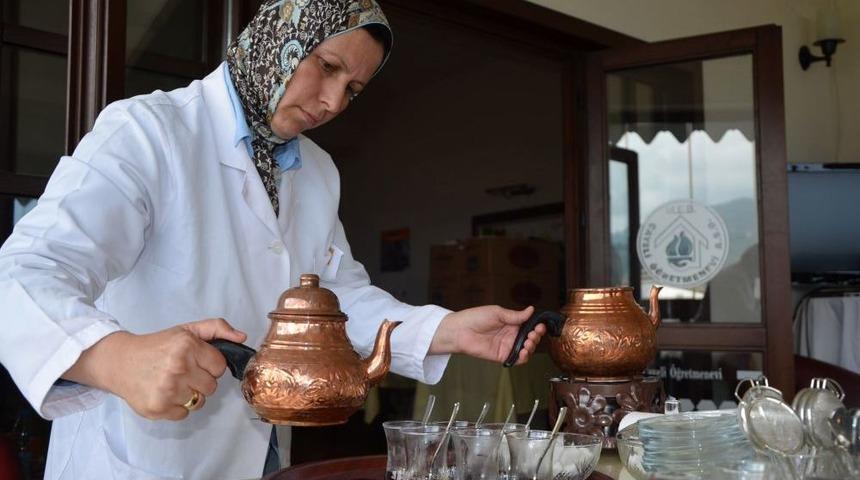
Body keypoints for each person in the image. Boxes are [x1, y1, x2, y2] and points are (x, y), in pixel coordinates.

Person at [0, 1, 546, 479]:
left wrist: (446, 329)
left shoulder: (317, 170)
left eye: (352, 88)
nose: (332, 102)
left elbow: (336, 302)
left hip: (261, 452)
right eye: (326, 66)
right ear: (278, 35)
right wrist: (111, 358)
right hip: (140, 458)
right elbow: (23, 275)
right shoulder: (147, 132)